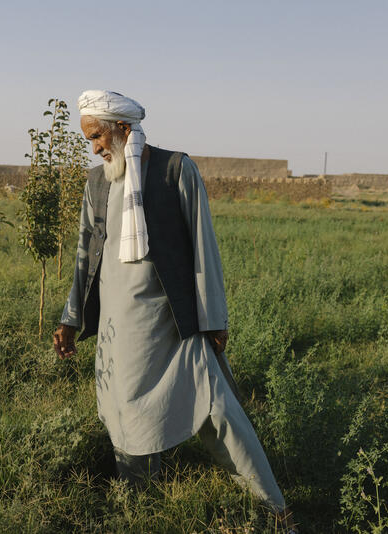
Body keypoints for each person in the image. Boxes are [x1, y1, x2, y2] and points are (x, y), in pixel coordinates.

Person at [53, 90, 296, 531]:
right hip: (119, 328)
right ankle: (139, 506)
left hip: (175, 321)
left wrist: (214, 319)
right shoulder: (96, 182)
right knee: (127, 413)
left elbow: (204, 248)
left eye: (97, 136)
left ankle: (274, 509)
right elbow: (85, 256)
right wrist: (71, 319)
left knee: (219, 410)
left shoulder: (175, 169)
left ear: (123, 129)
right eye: (89, 139)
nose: (94, 147)